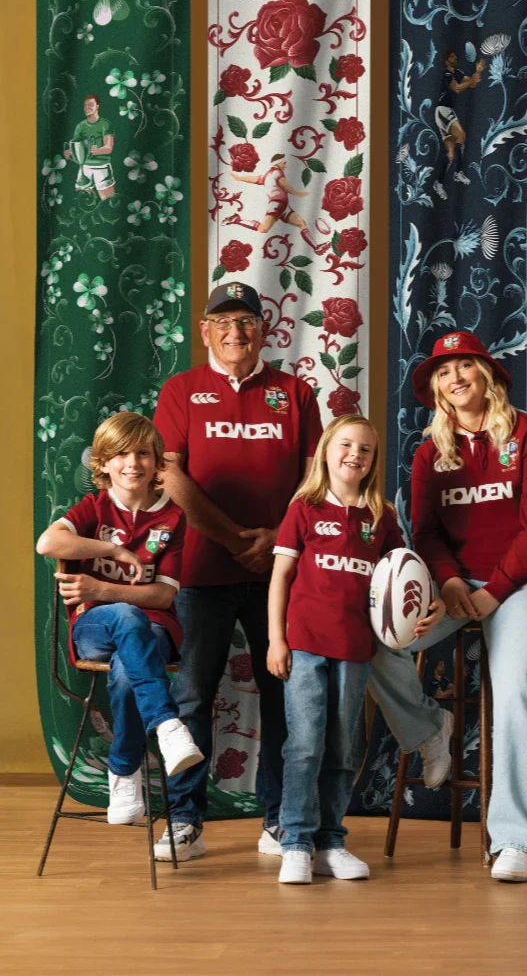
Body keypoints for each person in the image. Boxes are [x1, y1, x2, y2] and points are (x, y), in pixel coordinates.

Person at [368, 331, 527, 883]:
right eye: (443, 371)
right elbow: (427, 531)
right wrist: (451, 582)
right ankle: (429, 729)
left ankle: (516, 841)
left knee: (515, 691)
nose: (455, 378)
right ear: (436, 388)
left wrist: (491, 591)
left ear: (488, 375)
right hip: (459, 586)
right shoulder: (429, 452)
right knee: (375, 642)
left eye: (465, 367)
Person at [152, 281, 323, 862]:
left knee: (284, 695)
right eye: (222, 322)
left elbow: (316, 478)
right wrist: (233, 539)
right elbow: (170, 476)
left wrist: (278, 540)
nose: (235, 332)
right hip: (202, 571)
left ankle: (279, 819)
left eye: (246, 321)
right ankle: (184, 820)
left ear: (264, 330)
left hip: (281, 571)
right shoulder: (181, 390)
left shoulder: (295, 393)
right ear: (205, 331)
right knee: (192, 696)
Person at [267, 415, 445, 884]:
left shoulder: (380, 516)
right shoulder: (304, 508)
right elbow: (281, 577)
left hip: (355, 649)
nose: (355, 454)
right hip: (305, 646)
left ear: (374, 461)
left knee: (343, 748)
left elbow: (404, 573)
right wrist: (276, 639)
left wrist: (431, 602)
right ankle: (296, 843)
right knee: (305, 745)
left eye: (365, 449)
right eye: (345, 444)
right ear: (326, 451)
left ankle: (330, 842)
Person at [36, 413, 203, 824]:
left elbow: (163, 595)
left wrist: (100, 588)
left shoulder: (172, 517)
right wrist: (112, 550)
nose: (132, 463)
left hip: (156, 627)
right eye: (121, 454)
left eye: (143, 453)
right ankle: (168, 725)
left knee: (130, 667)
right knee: (127, 617)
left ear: (157, 461)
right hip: (95, 628)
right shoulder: (94, 507)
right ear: (104, 463)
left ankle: (124, 769)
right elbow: (47, 542)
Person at [224, 153, 328, 253]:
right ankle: (236, 220)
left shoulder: (267, 175)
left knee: (301, 223)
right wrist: (298, 193)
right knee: (263, 229)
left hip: (283, 206)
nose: (285, 165)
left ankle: (316, 247)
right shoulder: (277, 172)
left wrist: (239, 178)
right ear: (278, 162)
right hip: (277, 205)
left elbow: (254, 179)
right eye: (284, 163)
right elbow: (285, 185)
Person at [432, 51, 485, 200]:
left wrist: (478, 72)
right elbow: (457, 88)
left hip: (447, 112)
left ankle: (438, 182)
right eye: (452, 57)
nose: (455, 58)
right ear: (446, 61)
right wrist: (472, 79)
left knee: (451, 154)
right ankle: (458, 173)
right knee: (461, 135)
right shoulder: (447, 74)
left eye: (455, 56)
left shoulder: (458, 72)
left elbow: (471, 84)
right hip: (443, 110)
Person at [63, 94, 115, 200]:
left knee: (108, 201)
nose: (87, 108)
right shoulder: (80, 126)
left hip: (101, 167)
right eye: (85, 105)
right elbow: (76, 151)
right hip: (84, 168)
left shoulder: (105, 124)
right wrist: (69, 154)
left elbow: (109, 147)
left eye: (90, 105)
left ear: (97, 106)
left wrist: (98, 151)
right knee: (82, 201)